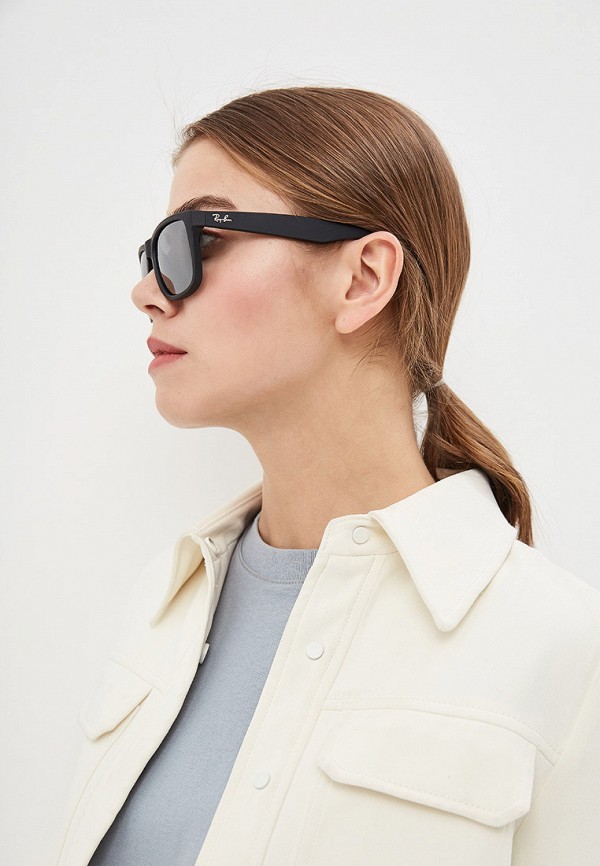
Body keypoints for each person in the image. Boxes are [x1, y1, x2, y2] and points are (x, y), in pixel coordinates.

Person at [55, 87, 600, 866]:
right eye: (152, 256)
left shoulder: (564, 644)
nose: (146, 293)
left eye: (195, 239)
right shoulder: (162, 607)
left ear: (363, 278)